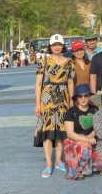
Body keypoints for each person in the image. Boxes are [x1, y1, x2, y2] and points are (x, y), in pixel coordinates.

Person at [34, 34, 75, 178]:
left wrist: (71, 101)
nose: (57, 47)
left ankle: (58, 161)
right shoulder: (44, 60)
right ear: (50, 46)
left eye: (59, 44)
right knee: (47, 131)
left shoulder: (69, 62)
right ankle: (48, 164)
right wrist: (37, 104)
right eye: (54, 45)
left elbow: (70, 83)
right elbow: (38, 83)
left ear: (63, 46)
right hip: (47, 98)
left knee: (60, 132)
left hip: (63, 97)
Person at [62, 84, 101, 180]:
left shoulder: (95, 109)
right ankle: (75, 172)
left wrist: (89, 137)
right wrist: (86, 139)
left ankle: (87, 168)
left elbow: (97, 128)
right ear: (76, 98)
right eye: (80, 96)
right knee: (84, 146)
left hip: (91, 138)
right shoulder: (70, 112)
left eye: (86, 96)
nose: (83, 98)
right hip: (74, 141)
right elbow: (70, 134)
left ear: (89, 96)